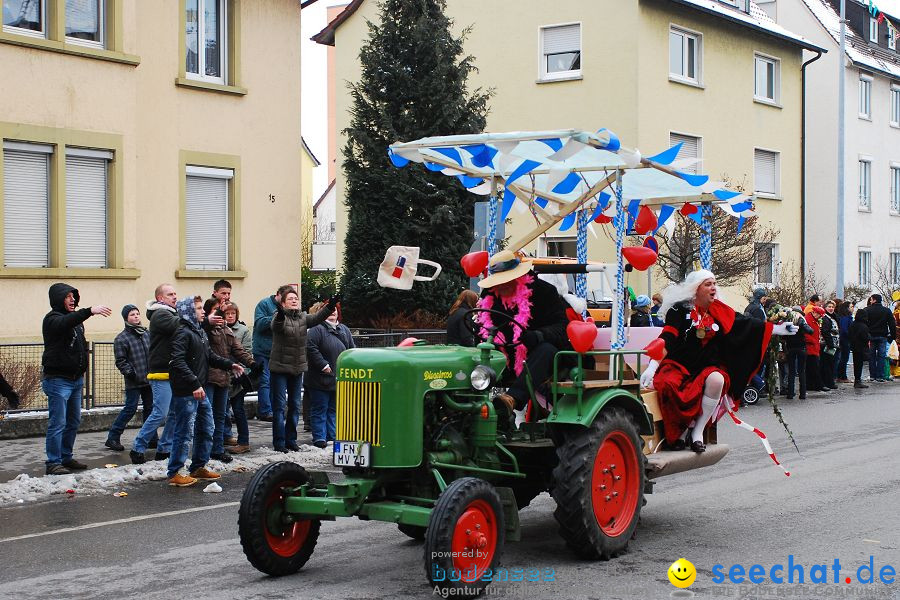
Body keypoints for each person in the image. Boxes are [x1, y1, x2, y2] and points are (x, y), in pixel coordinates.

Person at [639, 270, 796, 453]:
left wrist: (778, 329)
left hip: (706, 366)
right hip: (678, 364)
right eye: (708, 284)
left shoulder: (719, 310)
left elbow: (747, 325)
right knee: (667, 384)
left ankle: (697, 431)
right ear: (695, 288)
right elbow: (668, 338)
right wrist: (652, 366)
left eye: (714, 283)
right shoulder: (679, 310)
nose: (713, 288)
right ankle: (679, 431)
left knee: (717, 380)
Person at [476, 251, 572, 414]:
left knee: (546, 350)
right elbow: (482, 324)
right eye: (498, 281)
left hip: (542, 359)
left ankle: (512, 399)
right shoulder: (490, 294)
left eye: (506, 280)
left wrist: (538, 336)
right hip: (504, 356)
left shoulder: (543, 292)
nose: (501, 285)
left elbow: (562, 327)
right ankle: (469, 408)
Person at [167, 296, 243, 487]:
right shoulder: (182, 332)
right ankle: (175, 471)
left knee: (206, 427)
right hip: (187, 390)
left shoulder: (198, 331)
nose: (203, 311)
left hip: (198, 388)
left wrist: (230, 364)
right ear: (188, 312)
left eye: (202, 307)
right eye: (198, 308)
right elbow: (177, 361)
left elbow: (209, 356)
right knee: (184, 432)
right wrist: (194, 384)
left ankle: (198, 466)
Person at [41, 283, 111, 475]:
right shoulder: (52, 319)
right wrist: (90, 311)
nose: (72, 300)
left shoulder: (76, 322)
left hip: (75, 379)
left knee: (73, 421)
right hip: (58, 380)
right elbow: (65, 323)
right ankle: (53, 462)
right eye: (68, 296)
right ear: (58, 299)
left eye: (74, 296)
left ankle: (66, 457)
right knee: (58, 422)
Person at [269, 288, 337, 452]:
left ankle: (291, 440)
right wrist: (279, 314)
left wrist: (330, 306)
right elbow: (277, 326)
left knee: (294, 406)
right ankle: (279, 443)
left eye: (296, 298)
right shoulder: (279, 316)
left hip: (297, 368)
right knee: (279, 407)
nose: (294, 300)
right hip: (279, 368)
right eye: (290, 298)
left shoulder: (303, 318)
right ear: (283, 303)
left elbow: (318, 317)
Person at [130, 284, 180, 464]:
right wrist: (191, 313)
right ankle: (138, 447)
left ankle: (165, 448)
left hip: (175, 371)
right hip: (161, 372)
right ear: (160, 298)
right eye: (170, 294)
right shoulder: (160, 315)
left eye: (175, 293)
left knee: (174, 412)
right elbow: (179, 325)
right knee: (160, 413)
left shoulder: (173, 313)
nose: (175, 297)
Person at [202, 298, 255, 463]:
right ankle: (204, 450)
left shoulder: (225, 329)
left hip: (224, 377)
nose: (220, 314)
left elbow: (237, 349)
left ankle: (217, 449)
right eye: (216, 310)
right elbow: (204, 327)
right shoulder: (205, 329)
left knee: (219, 416)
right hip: (210, 378)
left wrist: (252, 363)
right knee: (207, 416)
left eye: (221, 311)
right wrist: (212, 317)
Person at [305, 301, 355, 448]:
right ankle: (319, 437)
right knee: (320, 408)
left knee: (333, 409)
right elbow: (311, 348)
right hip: (319, 377)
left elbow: (351, 349)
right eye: (329, 310)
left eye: (335, 310)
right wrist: (323, 365)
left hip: (337, 377)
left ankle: (332, 436)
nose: (333, 312)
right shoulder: (316, 329)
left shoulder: (344, 329)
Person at [105, 305, 152, 452]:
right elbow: (121, 361)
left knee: (150, 410)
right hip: (134, 380)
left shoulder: (146, 333)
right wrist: (132, 373)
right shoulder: (121, 338)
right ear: (126, 318)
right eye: (132, 314)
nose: (136, 316)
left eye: (137, 314)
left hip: (150, 379)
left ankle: (151, 438)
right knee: (130, 409)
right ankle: (113, 437)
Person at [253, 286, 291, 422]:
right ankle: (265, 411)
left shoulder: (288, 307)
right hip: (263, 350)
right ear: (278, 295)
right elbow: (259, 324)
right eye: (286, 298)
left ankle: (276, 410)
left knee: (277, 382)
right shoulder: (264, 304)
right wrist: (277, 317)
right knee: (265, 381)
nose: (288, 301)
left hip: (279, 351)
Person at [224, 302, 253, 453]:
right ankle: (224, 436)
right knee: (222, 410)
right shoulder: (218, 328)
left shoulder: (242, 330)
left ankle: (244, 441)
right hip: (221, 375)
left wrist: (243, 372)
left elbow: (247, 353)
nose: (230, 316)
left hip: (237, 376)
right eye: (227, 314)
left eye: (232, 314)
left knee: (238, 409)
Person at [866, 294, 896, 382]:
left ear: (874, 300)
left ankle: (872, 375)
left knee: (871, 356)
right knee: (881, 356)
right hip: (883, 336)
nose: (870, 301)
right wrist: (892, 337)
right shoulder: (886, 311)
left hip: (870, 336)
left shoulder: (867, 310)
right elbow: (892, 324)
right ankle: (880, 376)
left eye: (871, 300)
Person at [783, 305, 809, 400]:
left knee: (791, 371)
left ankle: (790, 393)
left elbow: (783, 336)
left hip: (790, 348)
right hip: (801, 347)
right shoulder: (802, 321)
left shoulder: (788, 322)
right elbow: (810, 331)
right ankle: (802, 394)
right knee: (801, 371)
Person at [804, 307, 826, 392]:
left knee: (811, 367)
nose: (820, 317)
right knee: (814, 367)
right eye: (819, 315)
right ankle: (818, 385)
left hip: (814, 346)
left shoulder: (813, 320)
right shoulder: (808, 320)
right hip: (811, 347)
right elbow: (806, 334)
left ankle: (810, 385)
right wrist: (814, 341)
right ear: (814, 312)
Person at [849, 310, 871, 389]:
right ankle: (858, 380)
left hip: (854, 347)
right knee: (859, 364)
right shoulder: (864, 326)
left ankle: (857, 380)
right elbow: (866, 337)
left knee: (856, 364)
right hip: (862, 347)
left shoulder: (853, 324)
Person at [819, 300, 839, 390]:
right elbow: (825, 331)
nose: (831, 308)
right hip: (827, 344)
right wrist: (830, 343)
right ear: (825, 307)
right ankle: (828, 382)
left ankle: (829, 381)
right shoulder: (825, 318)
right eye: (829, 307)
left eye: (832, 307)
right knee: (827, 363)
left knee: (831, 363)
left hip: (834, 343)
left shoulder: (833, 317)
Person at [835, 301, 853, 383]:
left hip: (844, 339)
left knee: (843, 358)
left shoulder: (845, 317)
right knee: (844, 358)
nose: (852, 308)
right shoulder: (846, 318)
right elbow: (845, 330)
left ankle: (841, 375)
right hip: (845, 340)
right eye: (851, 307)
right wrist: (850, 335)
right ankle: (842, 376)